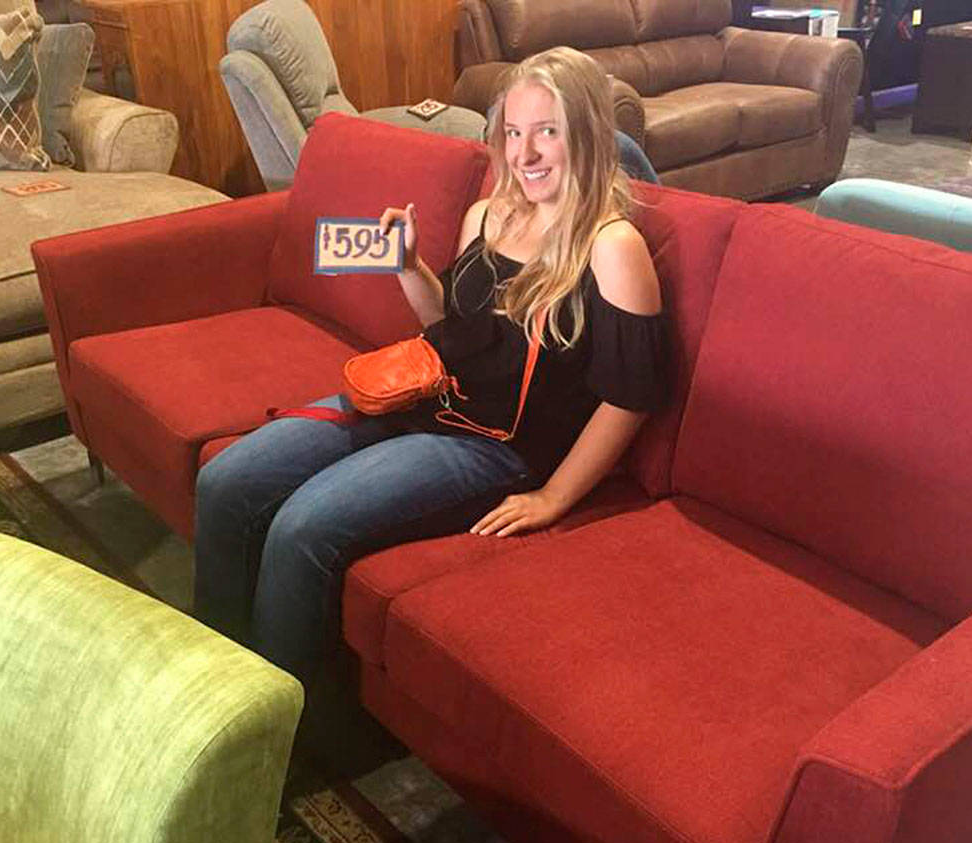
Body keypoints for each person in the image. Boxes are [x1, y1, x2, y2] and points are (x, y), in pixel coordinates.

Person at [193, 46, 667, 680]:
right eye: (514, 133)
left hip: (494, 445)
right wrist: (408, 265)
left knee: (303, 526)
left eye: (547, 132)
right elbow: (450, 328)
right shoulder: (488, 214)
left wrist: (554, 495)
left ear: (585, 132)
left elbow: (630, 396)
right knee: (227, 480)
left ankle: (280, 716)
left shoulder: (612, 247)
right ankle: (213, 683)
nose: (524, 154)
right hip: (420, 395)